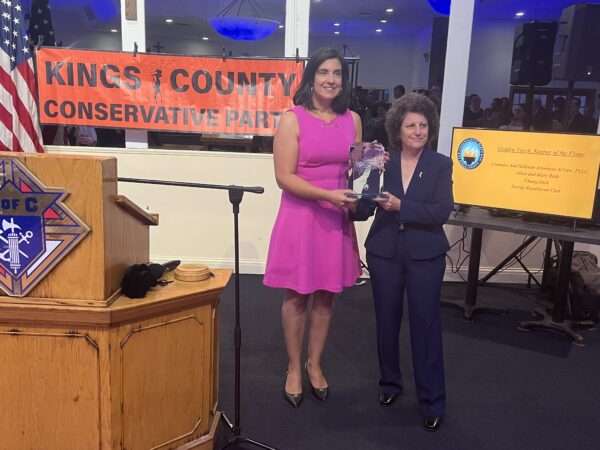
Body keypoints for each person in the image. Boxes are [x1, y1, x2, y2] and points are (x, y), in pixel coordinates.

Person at [263, 47, 362, 408]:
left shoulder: (353, 119)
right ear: (311, 78)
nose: (330, 80)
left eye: (336, 73)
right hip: (302, 218)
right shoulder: (292, 119)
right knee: (296, 294)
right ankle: (293, 367)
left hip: (335, 218)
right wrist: (328, 195)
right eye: (323, 72)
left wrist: (371, 168)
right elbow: (283, 177)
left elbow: (354, 169)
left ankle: (314, 364)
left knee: (325, 295)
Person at [351, 93, 453, 432]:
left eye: (423, 125)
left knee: (426, 327)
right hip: (385, 252)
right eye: (411, 125)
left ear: (430, 128)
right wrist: (351, 199)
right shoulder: (380, 159)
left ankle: (431, 401)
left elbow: (441, 211)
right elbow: (366, 206)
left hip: (426, 255)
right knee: (386, 322)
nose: (418, 131)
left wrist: (400, 207)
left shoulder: (440, 164)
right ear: (399, 127)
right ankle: (389, 385)